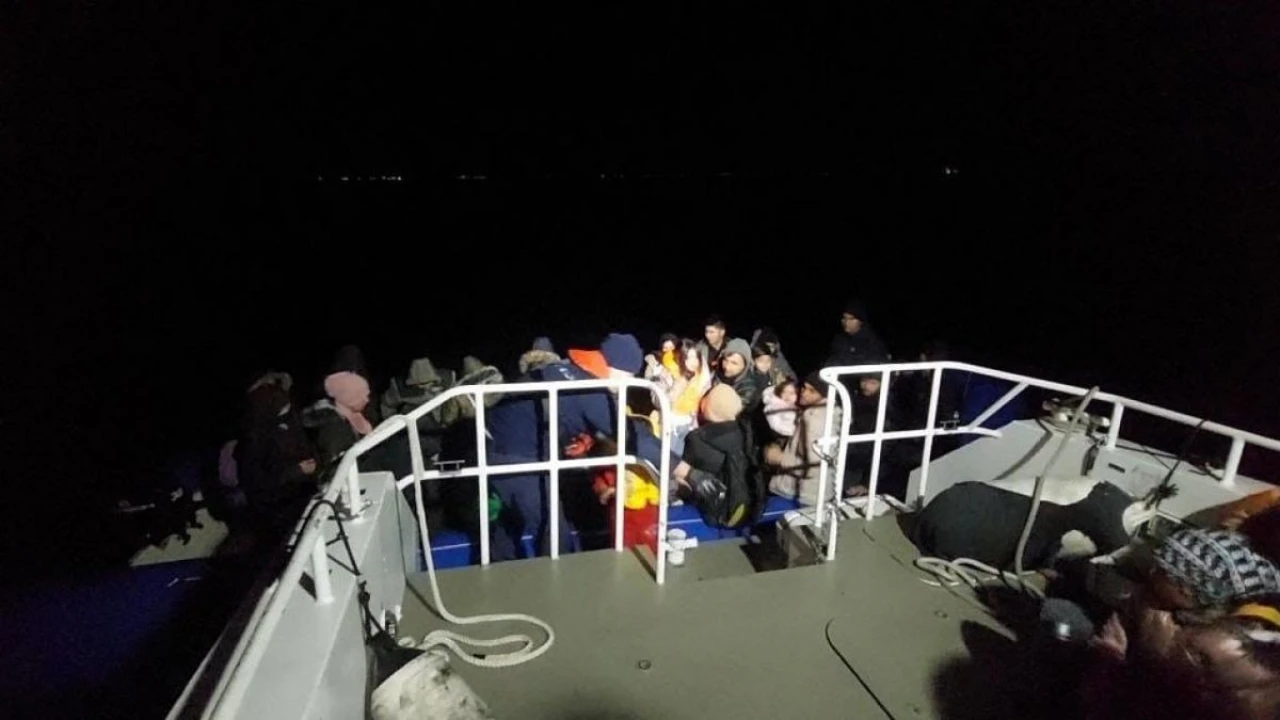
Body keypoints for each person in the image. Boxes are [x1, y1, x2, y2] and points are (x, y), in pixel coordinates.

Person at [484, 333, 674, 561]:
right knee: (555, 532)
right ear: (616, 367)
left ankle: (500, 571)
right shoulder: (590, 389)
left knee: (507, 524)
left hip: (494, 447)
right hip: (515, 459)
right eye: (629, 376)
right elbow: (634, 436)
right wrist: (688, 472)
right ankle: (560, 579)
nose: (627, 384)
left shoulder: (566, 368)